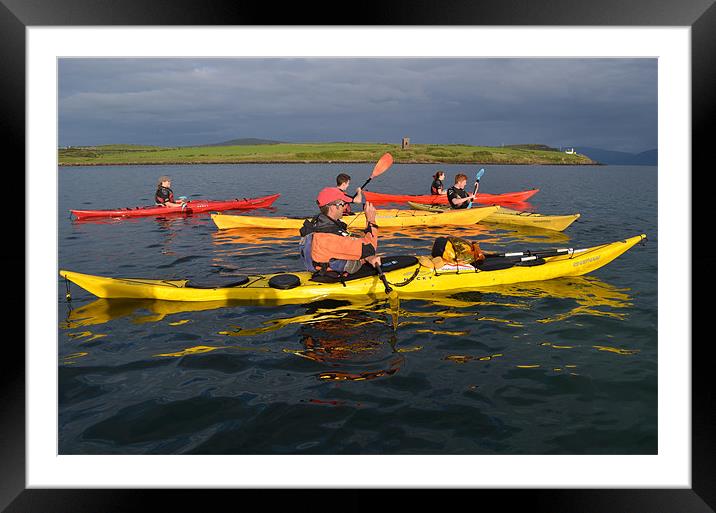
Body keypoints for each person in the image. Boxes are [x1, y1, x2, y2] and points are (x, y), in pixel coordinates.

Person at [299, 187, 382, 276]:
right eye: (343, 204)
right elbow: (370, 248)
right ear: (332, 207)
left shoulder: (316, 224)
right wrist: (371, 220)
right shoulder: (330, 236)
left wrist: (367, 257)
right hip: (333, 276)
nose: (345, 207)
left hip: (323, 268)